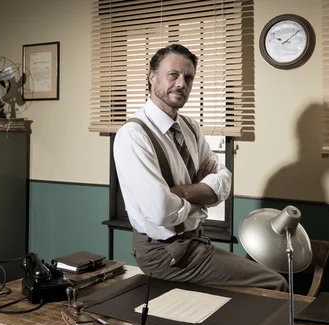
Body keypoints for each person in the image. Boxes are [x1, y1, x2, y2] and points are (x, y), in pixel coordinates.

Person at [113, 44, 288, 291]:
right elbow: (161, 210)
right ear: (152, 77)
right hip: (164, 252)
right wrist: (201, 197)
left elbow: (223, 180)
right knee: (275, 283)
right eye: (173, 74)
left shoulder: (190, 128)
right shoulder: (133, 135)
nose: (182, 83)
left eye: (189, 77)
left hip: (194, 242)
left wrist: (181, 192)